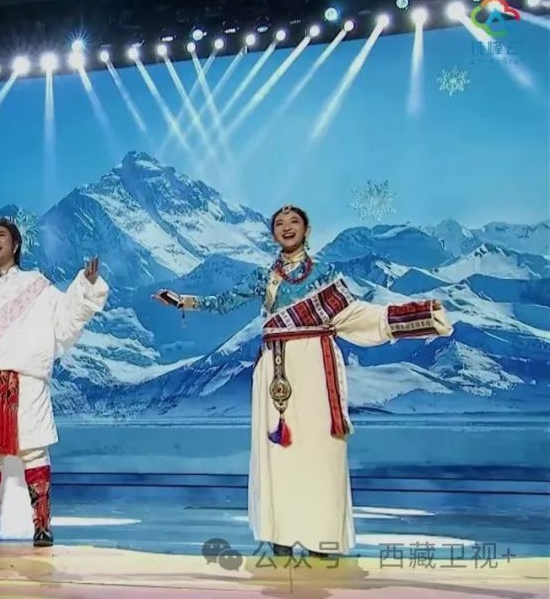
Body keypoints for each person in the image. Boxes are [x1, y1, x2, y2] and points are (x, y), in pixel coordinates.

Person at [155, 205, 452, 558]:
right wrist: (182, 301)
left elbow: (356, 315)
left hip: (316, 367)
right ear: (273, 234)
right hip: (276, 371)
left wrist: (418, 317)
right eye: (279, 223)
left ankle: (320, 536)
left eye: (293, 221)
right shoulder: (265, 277)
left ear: (307, 229)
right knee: (279, 453)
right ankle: (281, 533)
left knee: (320, 451)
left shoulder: (326, 275)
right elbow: (224, 303)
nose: (286, 227)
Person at [0, 217, 108, 547]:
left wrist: (85, 285)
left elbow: (64, 317)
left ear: (16, 245)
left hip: (27, 381)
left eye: (1, 236)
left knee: (34, 450)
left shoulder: (36, 285)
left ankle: (42, 524)